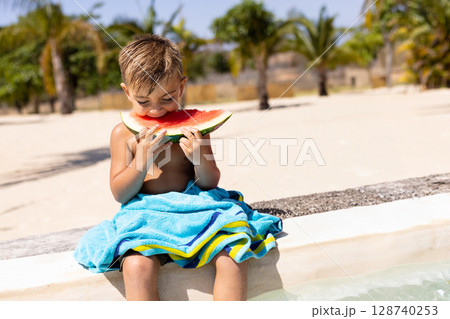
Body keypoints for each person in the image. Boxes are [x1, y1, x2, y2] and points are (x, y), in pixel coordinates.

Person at [74, 34, 282, 301]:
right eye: (143, 102)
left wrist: (199, 157)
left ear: (181, 87)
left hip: (197, 207)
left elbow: (210, 182)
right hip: (146, 214)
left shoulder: (195, 128)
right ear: (126, 92)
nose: (157, 112)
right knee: (137, 265)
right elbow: (120, 193)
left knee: (232, 254)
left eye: (167, 98)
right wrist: (141, 162)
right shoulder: (122, 134)